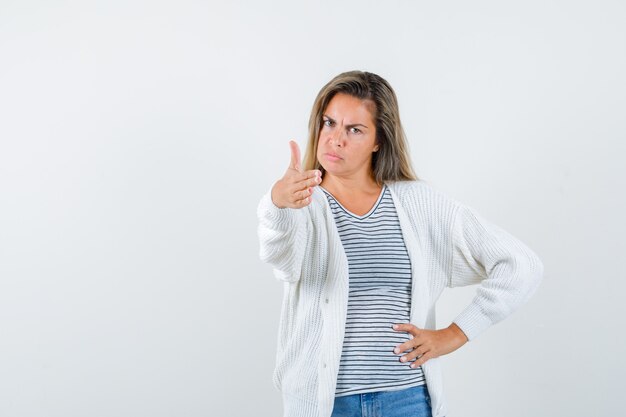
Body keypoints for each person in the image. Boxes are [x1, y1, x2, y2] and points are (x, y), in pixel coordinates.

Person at [257, 70, 543, 417]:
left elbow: (520, 264)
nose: (335, 139)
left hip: (406, 400)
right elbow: (281, 258)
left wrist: (456, 333)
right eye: (329, 123)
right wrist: (278, 203)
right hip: (324, 405)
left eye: (354, 129)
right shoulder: (304, 204)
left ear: (379, 140)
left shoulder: (418, 204)